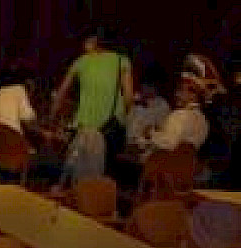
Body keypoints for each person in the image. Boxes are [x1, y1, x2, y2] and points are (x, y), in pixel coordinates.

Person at [51, 28, 133, 180]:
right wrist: (121, 115)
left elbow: (61, 92)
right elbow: (128, 97)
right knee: (101, 179)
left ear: (95, 42)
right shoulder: (122, 61)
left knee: (76, 173)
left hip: (83, 126)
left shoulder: (81, 61)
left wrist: (53, 117)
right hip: (109, 128)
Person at [139, 78, 209, 156]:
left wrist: (150, 133)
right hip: (187, 161)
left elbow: (170, 143)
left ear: (193, 95)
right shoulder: (203, 119)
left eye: (181, 91)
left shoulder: (180, 115)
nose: (176, 95)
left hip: (164, 160)